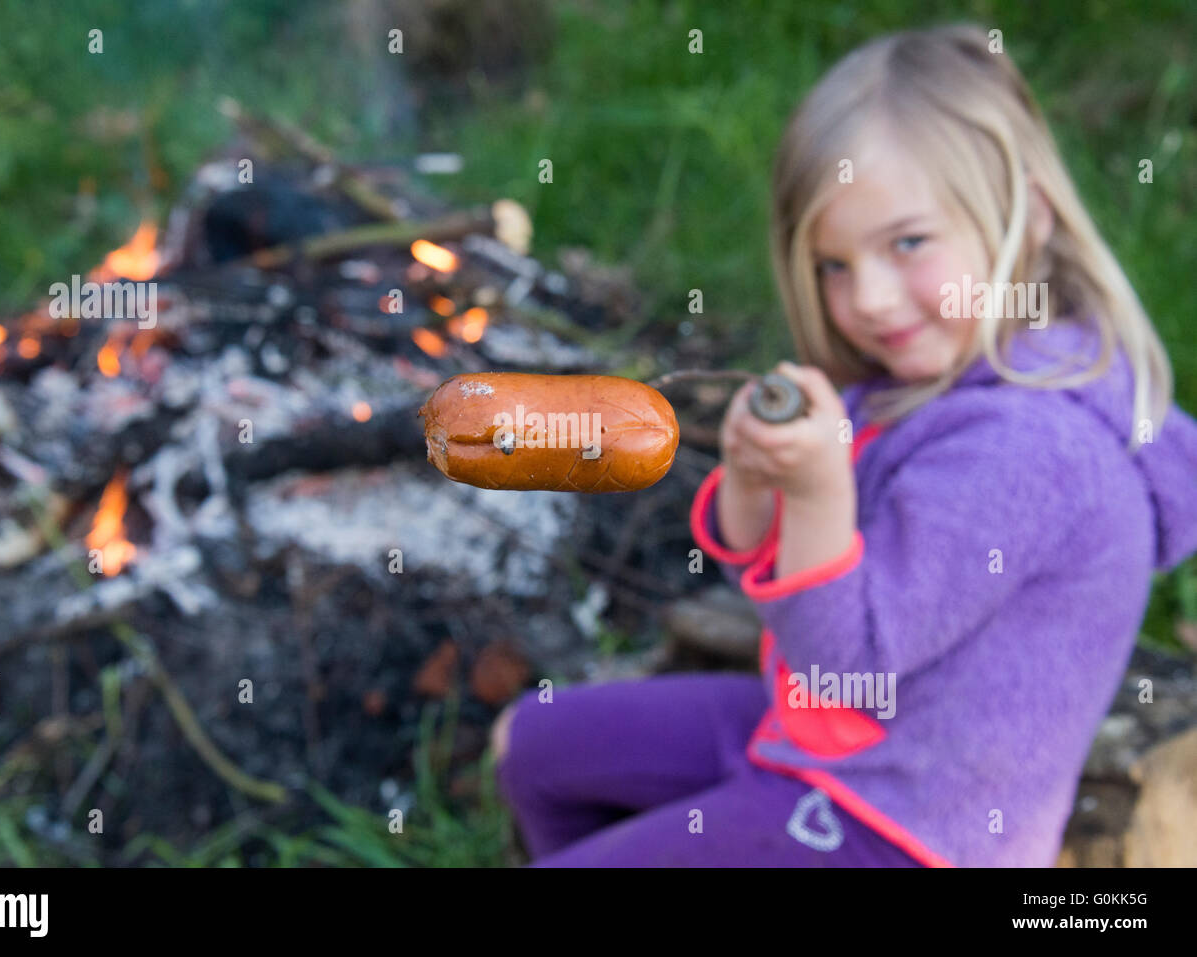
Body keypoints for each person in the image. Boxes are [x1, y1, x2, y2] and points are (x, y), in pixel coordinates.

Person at [491, 22, 1197, 867]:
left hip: (898, 825)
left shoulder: (1027, 449)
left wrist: (821, 492)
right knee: (532, 745)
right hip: (828, 743)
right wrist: (758, 485)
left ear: (1029, 218)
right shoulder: (937, 384)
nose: (868, 297)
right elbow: (785, 599)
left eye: (907, 244)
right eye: (833, 263)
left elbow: (840, 661)